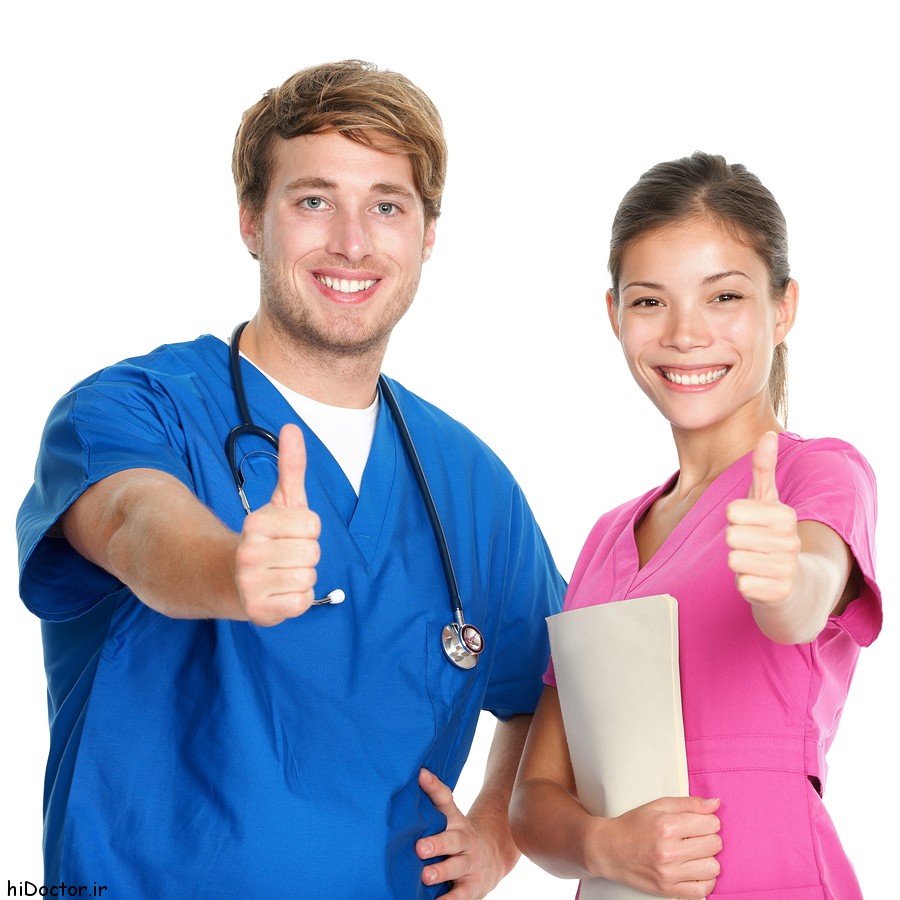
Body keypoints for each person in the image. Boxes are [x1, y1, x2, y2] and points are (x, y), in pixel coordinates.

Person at [16, 59, 564, 898]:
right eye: (313, 201)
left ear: (427, 235)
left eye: (387, 206)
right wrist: (228, 569)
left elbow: (557, 682)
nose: (353, 242)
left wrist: (498, 829)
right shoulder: (134, 408)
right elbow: (132, 521)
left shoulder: (470, 484)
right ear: (250, 220)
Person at [509, 152, 881, 898]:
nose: (685, 333)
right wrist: (603, 844)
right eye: (650, 301)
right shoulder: (606, 539)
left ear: (783, 308)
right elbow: (534, 797)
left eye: (724, 296)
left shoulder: (818, 476)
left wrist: (786, 581)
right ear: (615, 316)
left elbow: (805, 595)